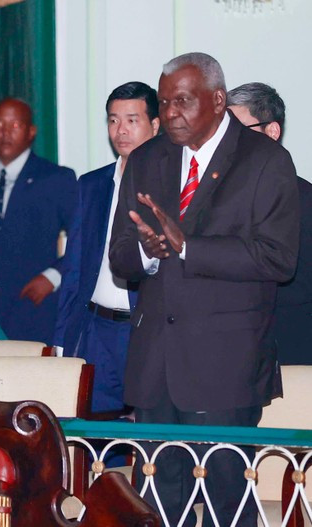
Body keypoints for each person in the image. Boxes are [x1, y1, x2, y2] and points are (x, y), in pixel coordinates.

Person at [109, 53, 299, 527]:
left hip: (226, 369)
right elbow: (120, 256)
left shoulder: (265, 160)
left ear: (217, 101)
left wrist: (190, 247)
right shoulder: (147, 158)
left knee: (226, 505)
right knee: (154, 505)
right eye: (165, 102)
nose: (170, 113)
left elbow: (278, 258)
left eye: (183, 102)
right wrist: (150, 252)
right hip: (156, 367)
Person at [53, 82, 159, 413]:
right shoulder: (92, 184)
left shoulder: (171, 186)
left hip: (145, 331)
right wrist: (61, 336)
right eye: (113, 120)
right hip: (95, 328)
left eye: (132, 120)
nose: (121, 130)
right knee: (94, 432)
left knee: (148, 434)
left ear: (155, 125)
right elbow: (75, 265)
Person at [0, 97, 77, 344]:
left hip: (29, 306)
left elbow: (85, 238)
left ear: (31, 131)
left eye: (15, 125)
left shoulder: (56, 178)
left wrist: (53, 277)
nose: (5, 133)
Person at [228, 82, 312, 366]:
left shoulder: (305, 199)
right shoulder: (214, 199)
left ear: (271, 132)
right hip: (228, 350)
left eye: (238, 132)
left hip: (291, 352)